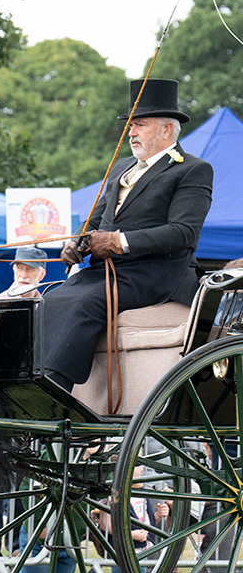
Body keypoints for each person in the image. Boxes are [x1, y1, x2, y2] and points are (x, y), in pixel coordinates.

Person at [41, 79, 213, 392]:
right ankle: (32, 379)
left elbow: (183, 233)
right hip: (107, 272)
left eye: (140, 125)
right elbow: (95, 219)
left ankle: (55, 387)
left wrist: (117, 242)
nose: (130, 133)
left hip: (157, 274)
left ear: (165, 130)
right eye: (131, 126)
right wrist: (77, 242)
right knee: (52, 298)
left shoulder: (192, 169)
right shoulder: (122, 167)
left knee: (85, 303)